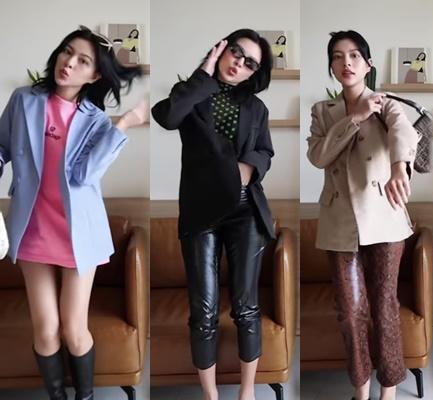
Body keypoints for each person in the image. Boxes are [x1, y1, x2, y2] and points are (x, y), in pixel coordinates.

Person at [0, 25, 147, 400]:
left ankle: (85, 396)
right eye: (67, 52)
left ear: (95, 76)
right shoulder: (24, 100)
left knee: (74, 330)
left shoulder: (95, 120)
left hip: (78, 232)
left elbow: (84, 176)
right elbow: (1, 147)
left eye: (83, 61)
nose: (69, 63)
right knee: (46, 330)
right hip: (32, 228)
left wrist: (123, 124)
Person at [152, 28, 274, 400]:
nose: (240, 63)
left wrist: (246, 170)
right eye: (236, 52)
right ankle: (210, 395)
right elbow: (167, 117)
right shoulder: (191, 94)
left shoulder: (256, 108)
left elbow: (265, 152)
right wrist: (203, 73)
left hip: (245, 209)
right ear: (221, 49)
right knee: (203, 310)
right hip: (200, 210)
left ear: (254, 73)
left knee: (245, 307)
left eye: (250, 63)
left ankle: (247, 391)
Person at [307, 30, 419, 400]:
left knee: (384, 306)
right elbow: (318, 156)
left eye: (355, 55)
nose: (347, 62)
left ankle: (389, 391)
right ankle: (361, 390)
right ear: (331, 66)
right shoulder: (322, 111)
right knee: (350, 311)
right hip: (339, 222)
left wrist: (400, 168)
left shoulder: (387, 104)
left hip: (384, 217)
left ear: (368, 64)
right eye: (338, 56)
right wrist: (354, 118)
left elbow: (404, 133)